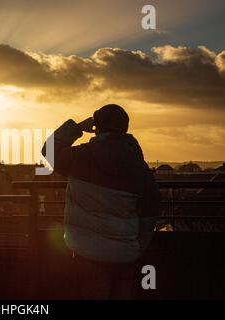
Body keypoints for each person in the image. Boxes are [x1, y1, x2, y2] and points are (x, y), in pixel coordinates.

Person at [41, 104, 159, 299]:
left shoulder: (80, 158)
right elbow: (150, 215)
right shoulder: (140, 168)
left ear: (96, 126)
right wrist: (137, 247)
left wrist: (77, 127)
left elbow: (49, 149)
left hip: (86, 253)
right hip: (125, 255)